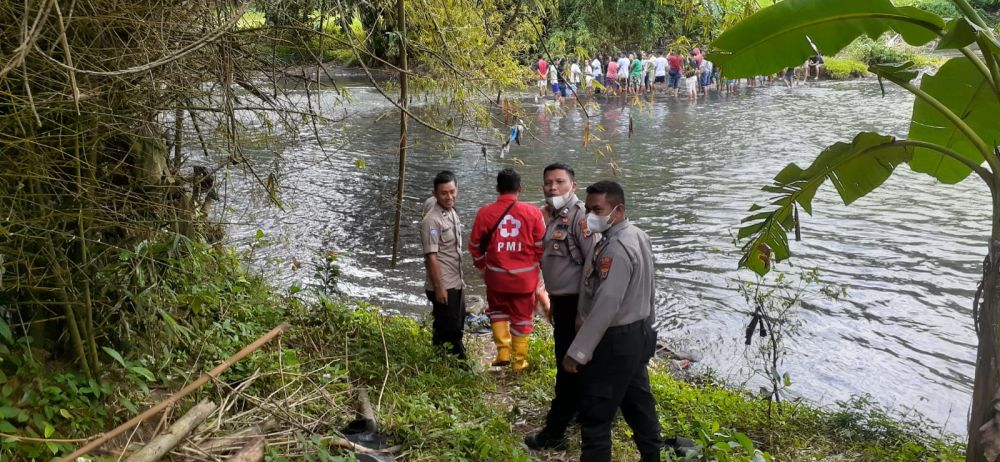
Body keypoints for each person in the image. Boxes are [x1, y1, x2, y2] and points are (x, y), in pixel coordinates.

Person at [563, 180, 663, 462]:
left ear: (617, 210)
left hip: (615, 340)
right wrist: (649, 325)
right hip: (637, 334)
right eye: (588, 209)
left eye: (597, 209)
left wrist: (578, 351)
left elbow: (608, 304)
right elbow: (651, 287)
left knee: (595, 415)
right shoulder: (637, 235)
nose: (590, 216)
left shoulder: (616, 248)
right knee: (638, 404)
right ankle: (652, 456)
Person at [524, 163, 596, 450]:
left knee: (568, 366)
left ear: (573, 186)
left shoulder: (581, 219)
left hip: (577, 305)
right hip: (562, 303)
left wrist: (583, 312)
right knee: (573, 364)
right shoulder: (554, 217)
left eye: (559, 182)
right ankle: (581, 411)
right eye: (548, 183)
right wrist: (551, 302)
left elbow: (593, 268)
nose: (552, 188)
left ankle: (555, 432)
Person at [468, 168, 546, 372]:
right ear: (520, 188)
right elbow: (541, 247)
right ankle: (519, 362)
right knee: (522, 318)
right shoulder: (534, 213)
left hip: (496, 278)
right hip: (524, 280)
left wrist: (482, 266)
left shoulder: (484, 213)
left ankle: (502, 352)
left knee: (498, 312)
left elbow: (475, 247)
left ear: (497, 188)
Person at [420, 171, 467, 359]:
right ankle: (461, 367)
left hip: (456, 281)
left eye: (452, 191)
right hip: (444, 284)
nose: (449, 197)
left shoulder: (451, 211)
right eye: (444, 193)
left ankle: (439, 359)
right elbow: (431, 257)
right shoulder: (432, 221)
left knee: (451, 323)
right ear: (434, 194)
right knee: (452, 329)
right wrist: (439, 288)